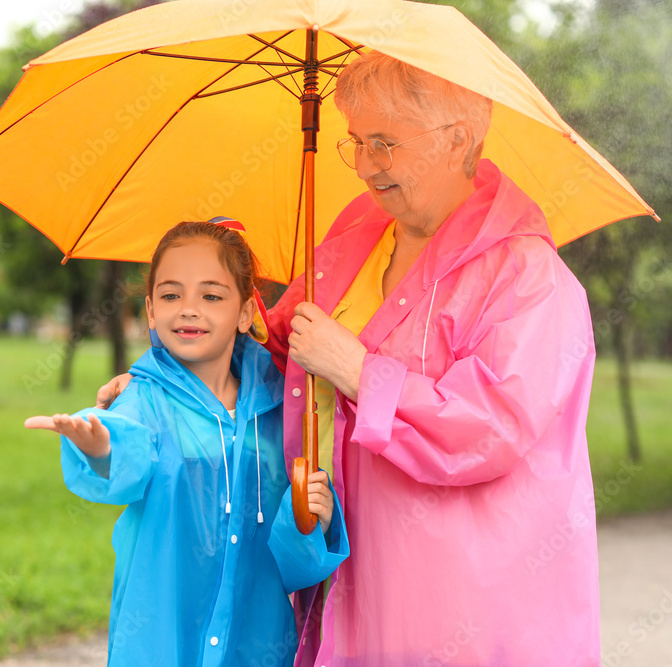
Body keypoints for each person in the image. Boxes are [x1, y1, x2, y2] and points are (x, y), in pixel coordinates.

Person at [99, 52, 600, 665]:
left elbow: (490, 426)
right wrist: (162, 385)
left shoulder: (529, 277)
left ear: (458, 139)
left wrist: (359, 370)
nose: (364, 166)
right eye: (357, 142)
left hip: (462, 599)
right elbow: (275, 356)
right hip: (340, 562)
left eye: (384, 143)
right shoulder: (359, 233)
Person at [26, 219, 349, 667]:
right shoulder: (144, 396)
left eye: (212, 296)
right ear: (151, 310)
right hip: (160, 641)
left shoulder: (284, 412)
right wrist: (99, 446)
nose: (188, 309)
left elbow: (297, 570)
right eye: (171, 294)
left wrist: (312, 517)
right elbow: (128, 449)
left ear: (246, 313)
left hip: (255, 644)